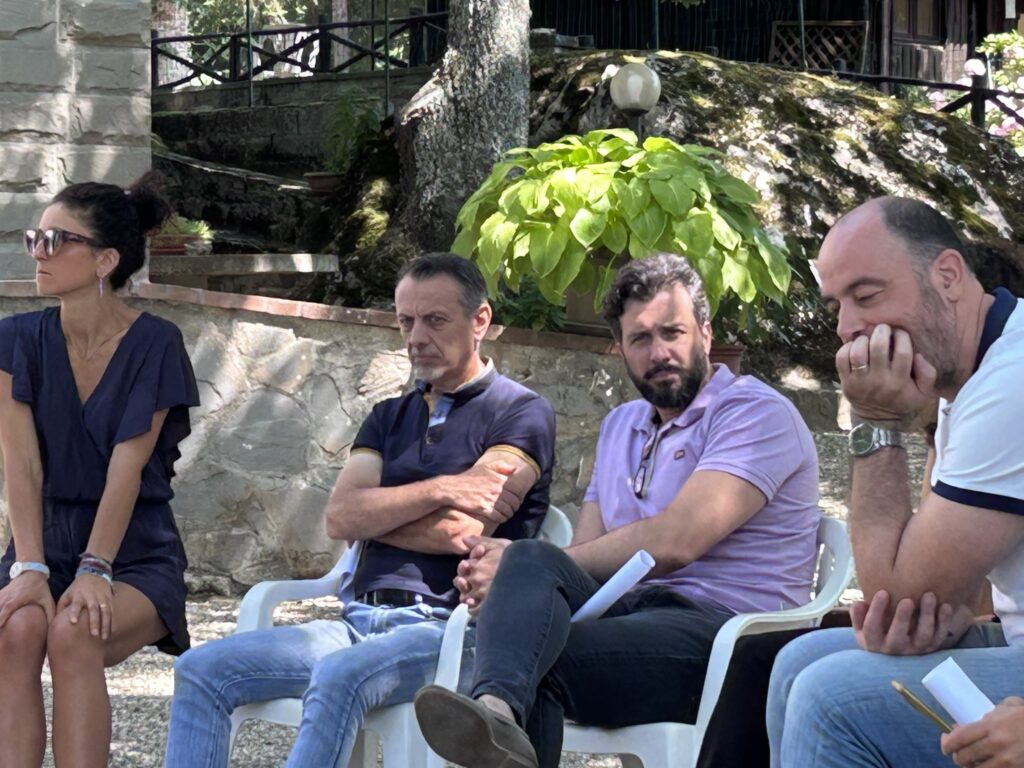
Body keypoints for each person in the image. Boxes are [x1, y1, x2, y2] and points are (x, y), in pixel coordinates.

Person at [413, 253, 822, 768]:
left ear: (705, 333)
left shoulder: (754, 412)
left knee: (533, 655)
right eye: (641, 338)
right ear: (620, 349)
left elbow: (677, 541)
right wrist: (518, 576)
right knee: (530, 576)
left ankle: (497, 709)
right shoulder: (621, 425)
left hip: (728, 635)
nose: (660, 352)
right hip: (634, 616)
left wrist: (516, 565)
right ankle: (497, 712)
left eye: (672, 333)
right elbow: (587, 555)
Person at [163, 253, 556, 768]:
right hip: (357, 620)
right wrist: (446, 487)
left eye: (435, 320)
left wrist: (378, 516)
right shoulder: (388, 417)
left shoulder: (521, 412)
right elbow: (340, 518)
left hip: (451, 629)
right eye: (406, 321)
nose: (416, 337)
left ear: (479, 320)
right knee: (199, 669)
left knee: (339, 673)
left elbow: (462, 531)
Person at [766, 196, 1024, 767]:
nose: (846, 328)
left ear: (948, 276)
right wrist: (939, 617)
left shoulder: (1013, 381)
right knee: (796, 662)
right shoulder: (974, 375)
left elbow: (897, 588)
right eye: (837, 305)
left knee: (829, 701)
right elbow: (930, 594)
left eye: (866, 296)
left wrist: (875, 419)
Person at [0, 173, 199, 768]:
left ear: (105, 261)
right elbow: (21, 465)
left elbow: (126, 469)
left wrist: (95, 568)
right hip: (41, 541)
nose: (39, 252)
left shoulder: (156, 343)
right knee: (14, 632)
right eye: (36, 238)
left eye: (56, 240)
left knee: (74, 633)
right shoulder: (14, 340)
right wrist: (29, 566)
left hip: (133, 548)